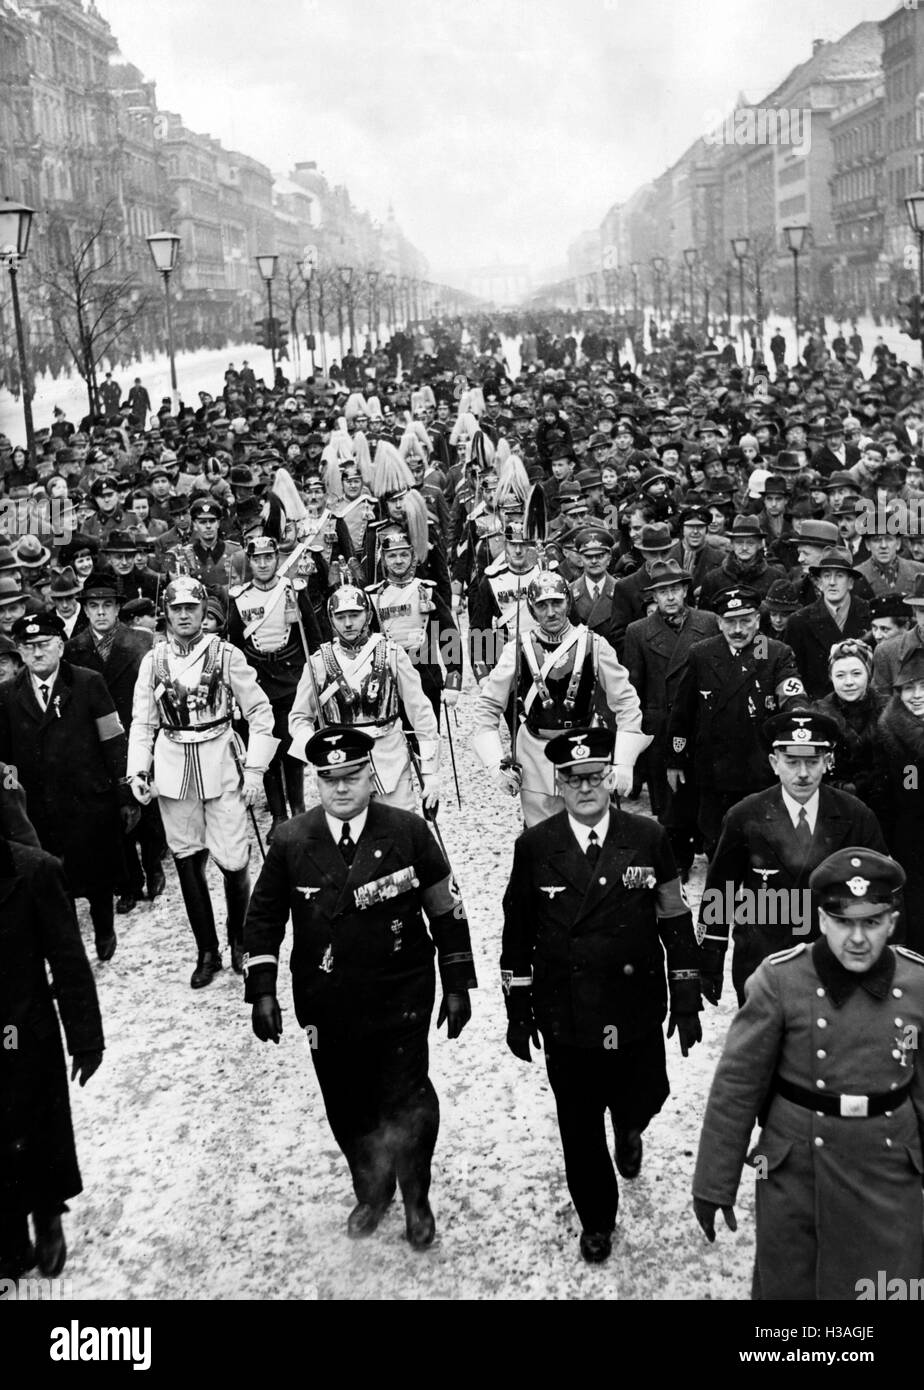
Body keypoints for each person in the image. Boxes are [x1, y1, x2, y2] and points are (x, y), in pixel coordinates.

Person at [243, 725, 477, 1249]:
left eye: (351, 777)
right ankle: (372, 1190)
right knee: (346, 1104)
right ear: (316, 781)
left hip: (401, 997)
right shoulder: (290, 840)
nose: (341, 789)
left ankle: (417, 1197)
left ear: (371, 775)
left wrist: (457, 982)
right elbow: (262, 921)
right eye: (330, 779)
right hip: (329, 1004)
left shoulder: (409, 832)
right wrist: (262, 988)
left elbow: (447, 911)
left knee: (409, 1100)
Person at [500, 726, 702, 1264]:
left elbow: (673, 913)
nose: (585, 787)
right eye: (573, 779)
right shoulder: (535, 847)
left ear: (611, 779)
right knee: (578, 1124)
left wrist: (685, 991)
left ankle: (631, 1127)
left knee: (645, 1095)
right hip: (567, 1010)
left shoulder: (647, 837)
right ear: (559, 786)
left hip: (633, 1004)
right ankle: (596, 1218)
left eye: (595, 776)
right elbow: (517, 929)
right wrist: (518, 1007)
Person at [692, 848, 924, 1302]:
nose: (857, 938)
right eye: (843, 922)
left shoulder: (917, 986)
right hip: (797, 1169)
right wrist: (714, 1183)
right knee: (793, 1284)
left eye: (872, 923)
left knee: (886, 1286)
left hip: (889, 1167)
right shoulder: (781, 981)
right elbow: (737, 1087)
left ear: (892, 923)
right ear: (821, 919)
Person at [127, 577, 278, 987]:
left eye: (191, 607)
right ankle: (206, 949)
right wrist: (138, 770)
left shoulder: (225, 654)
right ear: (166, 613)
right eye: (176, 608)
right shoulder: (152, 661)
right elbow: (143, 721)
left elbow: (261, 714)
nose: (184, 615)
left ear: (203, 610)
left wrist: (256, 769)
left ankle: (241, 941)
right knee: (187, 860)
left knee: (233, 858)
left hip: (221, 762)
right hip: (174, 769)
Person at [698, 707, 888, 1006]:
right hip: (764, 963)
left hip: (836, 962)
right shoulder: (745, 816)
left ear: (827, 762)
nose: (802, 773)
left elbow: (882, 892)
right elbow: (721, 893)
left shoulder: (856, 816)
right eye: (792, 762)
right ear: (774, 763)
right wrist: (710, 956)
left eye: (812, 762)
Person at [0, 612, 137, 961]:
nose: (37, 653)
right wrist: (11, 800)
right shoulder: (7, 694)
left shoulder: (88, 682)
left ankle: (103, 927)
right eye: (28, 647)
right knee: (51, 878)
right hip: (39, 806)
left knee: (98, 873)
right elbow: (5, 759)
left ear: (60, 646)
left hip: (88, 800)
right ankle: (66, 945)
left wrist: (122, 792)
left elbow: (113, 741)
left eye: (44, 645)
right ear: (20, 652)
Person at [0, 826, 104, 1280]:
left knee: (37, 1131)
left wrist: (85, 1039)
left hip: (27, 1035)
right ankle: (8, 1237)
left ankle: (46, 1211)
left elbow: (68, 958)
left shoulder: (34, 870)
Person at [473, 569, 650, 826]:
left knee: (590, 832)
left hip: (584, 750)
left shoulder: (594, 645)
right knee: (542, 839)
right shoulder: (517, 650)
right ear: (532, 609)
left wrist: (624, 761)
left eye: (557, 602)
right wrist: (494, 764)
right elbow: (487, 706)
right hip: (534, 753)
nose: (551, 612)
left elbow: (626, 702)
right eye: (542, 605)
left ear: (568, 602)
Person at [667, 586, 806, 856]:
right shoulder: (702, 653)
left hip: (759, 770)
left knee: (763, 847)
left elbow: (791, 693)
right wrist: (674, 759)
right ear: (719, 622)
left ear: (757, 619)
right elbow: (682, 713)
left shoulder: (773, 652)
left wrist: (798, 711)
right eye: (730, 622)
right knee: (717, 844)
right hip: (713, 770)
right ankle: (725, 895)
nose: (738, 629)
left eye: (745, 621)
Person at [288, 584, 440, 814]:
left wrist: (430, 772)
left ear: (368, 615)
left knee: (399, 828)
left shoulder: (392, 654)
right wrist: (317, 750)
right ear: (331, 619)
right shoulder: (318, 662)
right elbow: (299, 718)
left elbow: (421, 713)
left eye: (354, 615)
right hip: (342, 762)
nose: (348, 623)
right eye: (340, 617)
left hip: (390, 757)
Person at [65, 568, 166, 912]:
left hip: (138, 730)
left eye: (108, 604)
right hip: (99, 741)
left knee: (146, 803)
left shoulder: (140, 641)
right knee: (112, 811)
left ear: (117, 607)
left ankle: (154, 866)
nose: (101, 612)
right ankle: (128, 881)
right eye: (94, 606)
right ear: (86, 609)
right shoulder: (73, 649)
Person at [623, 558, 718, 876]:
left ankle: (710, 846)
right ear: (653, 596)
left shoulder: (709, 623)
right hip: (661, 724)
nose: (670, 597)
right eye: (663, 591)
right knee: (668, 796)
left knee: (705, 787)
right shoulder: (638, 632)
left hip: (703, 722)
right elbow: (633, 686)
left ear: (686, 590)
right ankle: (676, 856)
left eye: (676, 589)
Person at [227, 536, 322, 840]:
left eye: (269, 557)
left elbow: (313, 634)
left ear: (277, 559)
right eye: (258, 559)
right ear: (250, 562)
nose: (264, 563)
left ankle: (298, 808)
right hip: (257, 678)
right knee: (265, 746)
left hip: (291, 674)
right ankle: (278, 815)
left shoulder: (292, 590)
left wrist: (318, 674)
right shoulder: (238, 597)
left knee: (292, 746)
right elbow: (234, 644)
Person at [877, 650, 924, 951]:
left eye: (922, 686)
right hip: (913, 839)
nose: (916, 696)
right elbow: (898, 793)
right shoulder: (891, 731)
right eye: (908, 688)